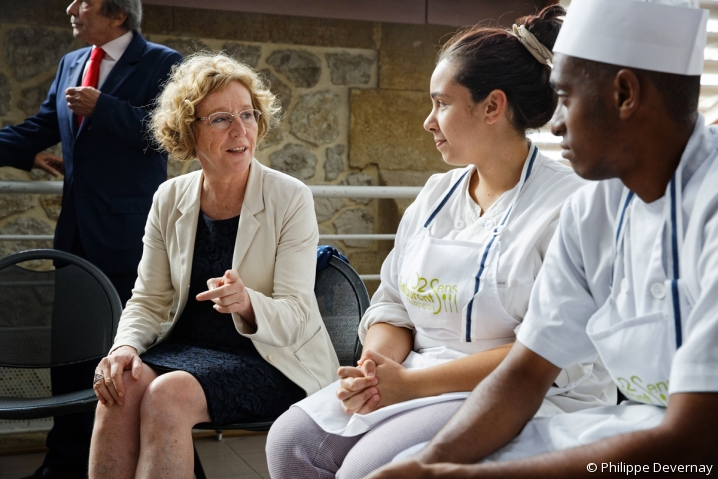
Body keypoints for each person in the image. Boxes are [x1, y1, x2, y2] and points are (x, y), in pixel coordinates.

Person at [366, 0, 718, 477]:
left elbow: (692, 442)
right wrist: (429, 462)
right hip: (636, 428)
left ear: (624, 94)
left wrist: (463, 475)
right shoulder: (593, 210)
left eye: (567, 98)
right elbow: (527, 371)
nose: (554, 124)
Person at [266, 6, 616, 479]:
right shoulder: (435, 197)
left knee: (363, 470)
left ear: (492, 106)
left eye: (442, 103)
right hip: (416, 373)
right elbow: (393, 304)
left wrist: (411, 383)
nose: (428, 122)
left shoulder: (568, 206)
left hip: (528, 392)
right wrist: (376, 366)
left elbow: (547, 353)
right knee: (289, 444)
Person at [87, 51, 339, 479]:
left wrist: (246, 303)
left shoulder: (290, 197)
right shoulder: (169, 197)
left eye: (248, 114)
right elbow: (148, 298)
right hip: (186, 350)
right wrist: (124, 347)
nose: (241, 130)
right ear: (190, 131)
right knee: (121, 385)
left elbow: (297, 316)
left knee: (168, 394)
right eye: (221, 119)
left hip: (270, 358)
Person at [0, 1, 181, 477]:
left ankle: (127, 460)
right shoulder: (72, 63)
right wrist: (21, 153)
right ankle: (62, 463)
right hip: (75, 237)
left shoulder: (165, 62)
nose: (71, 8)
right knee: (71, 355)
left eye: (84, 1)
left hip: (128, 237)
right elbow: (41, 127)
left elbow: (169, 135)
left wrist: (106, 109)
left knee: (123, 356)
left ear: (118, 14)